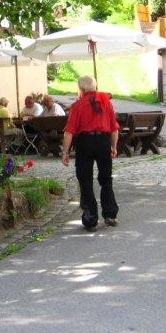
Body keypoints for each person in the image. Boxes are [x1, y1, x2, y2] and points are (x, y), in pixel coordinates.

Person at [61, 76, 119, 232]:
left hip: (85, 142)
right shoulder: (107, 103)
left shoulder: (77, 105)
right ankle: (110, 214)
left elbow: (69, 132)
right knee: (106, 178)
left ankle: (90, 217)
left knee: (85, 179)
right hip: (103, 141)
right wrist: (113, 146)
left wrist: (65, 152)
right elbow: (114, 127)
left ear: (80, 89)